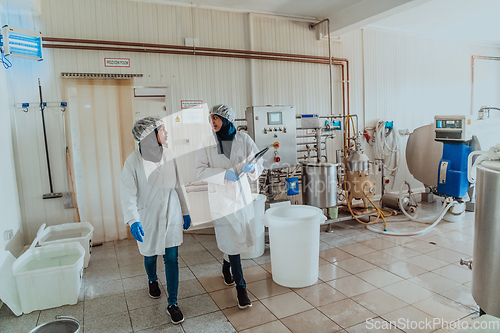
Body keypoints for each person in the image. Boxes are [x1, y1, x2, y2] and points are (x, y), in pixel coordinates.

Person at [121, 116, 191, 324]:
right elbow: (127, 194)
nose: (166, 133)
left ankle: (173, 303)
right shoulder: (132, 162)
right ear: (149, 135)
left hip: (172, 215)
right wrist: (133, 220)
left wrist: (185, 210)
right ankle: (152, 279)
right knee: (150, 255)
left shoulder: (169, 155)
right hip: (147, 218)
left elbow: (179, 185)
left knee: (171, 258)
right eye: (162, 130)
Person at [195, 104, 263, 309]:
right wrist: (223, 174)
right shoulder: (206, 143)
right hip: (221, 199)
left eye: (216, 118)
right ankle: (241, 288)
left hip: (240, 197)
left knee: (237, 238)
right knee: (232, 241)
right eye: (210, 119)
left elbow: (258, 162)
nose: (212, 122)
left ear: (227, 119)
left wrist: (252, 169)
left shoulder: (244, 139)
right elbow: (199, 171)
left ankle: (226, 267)